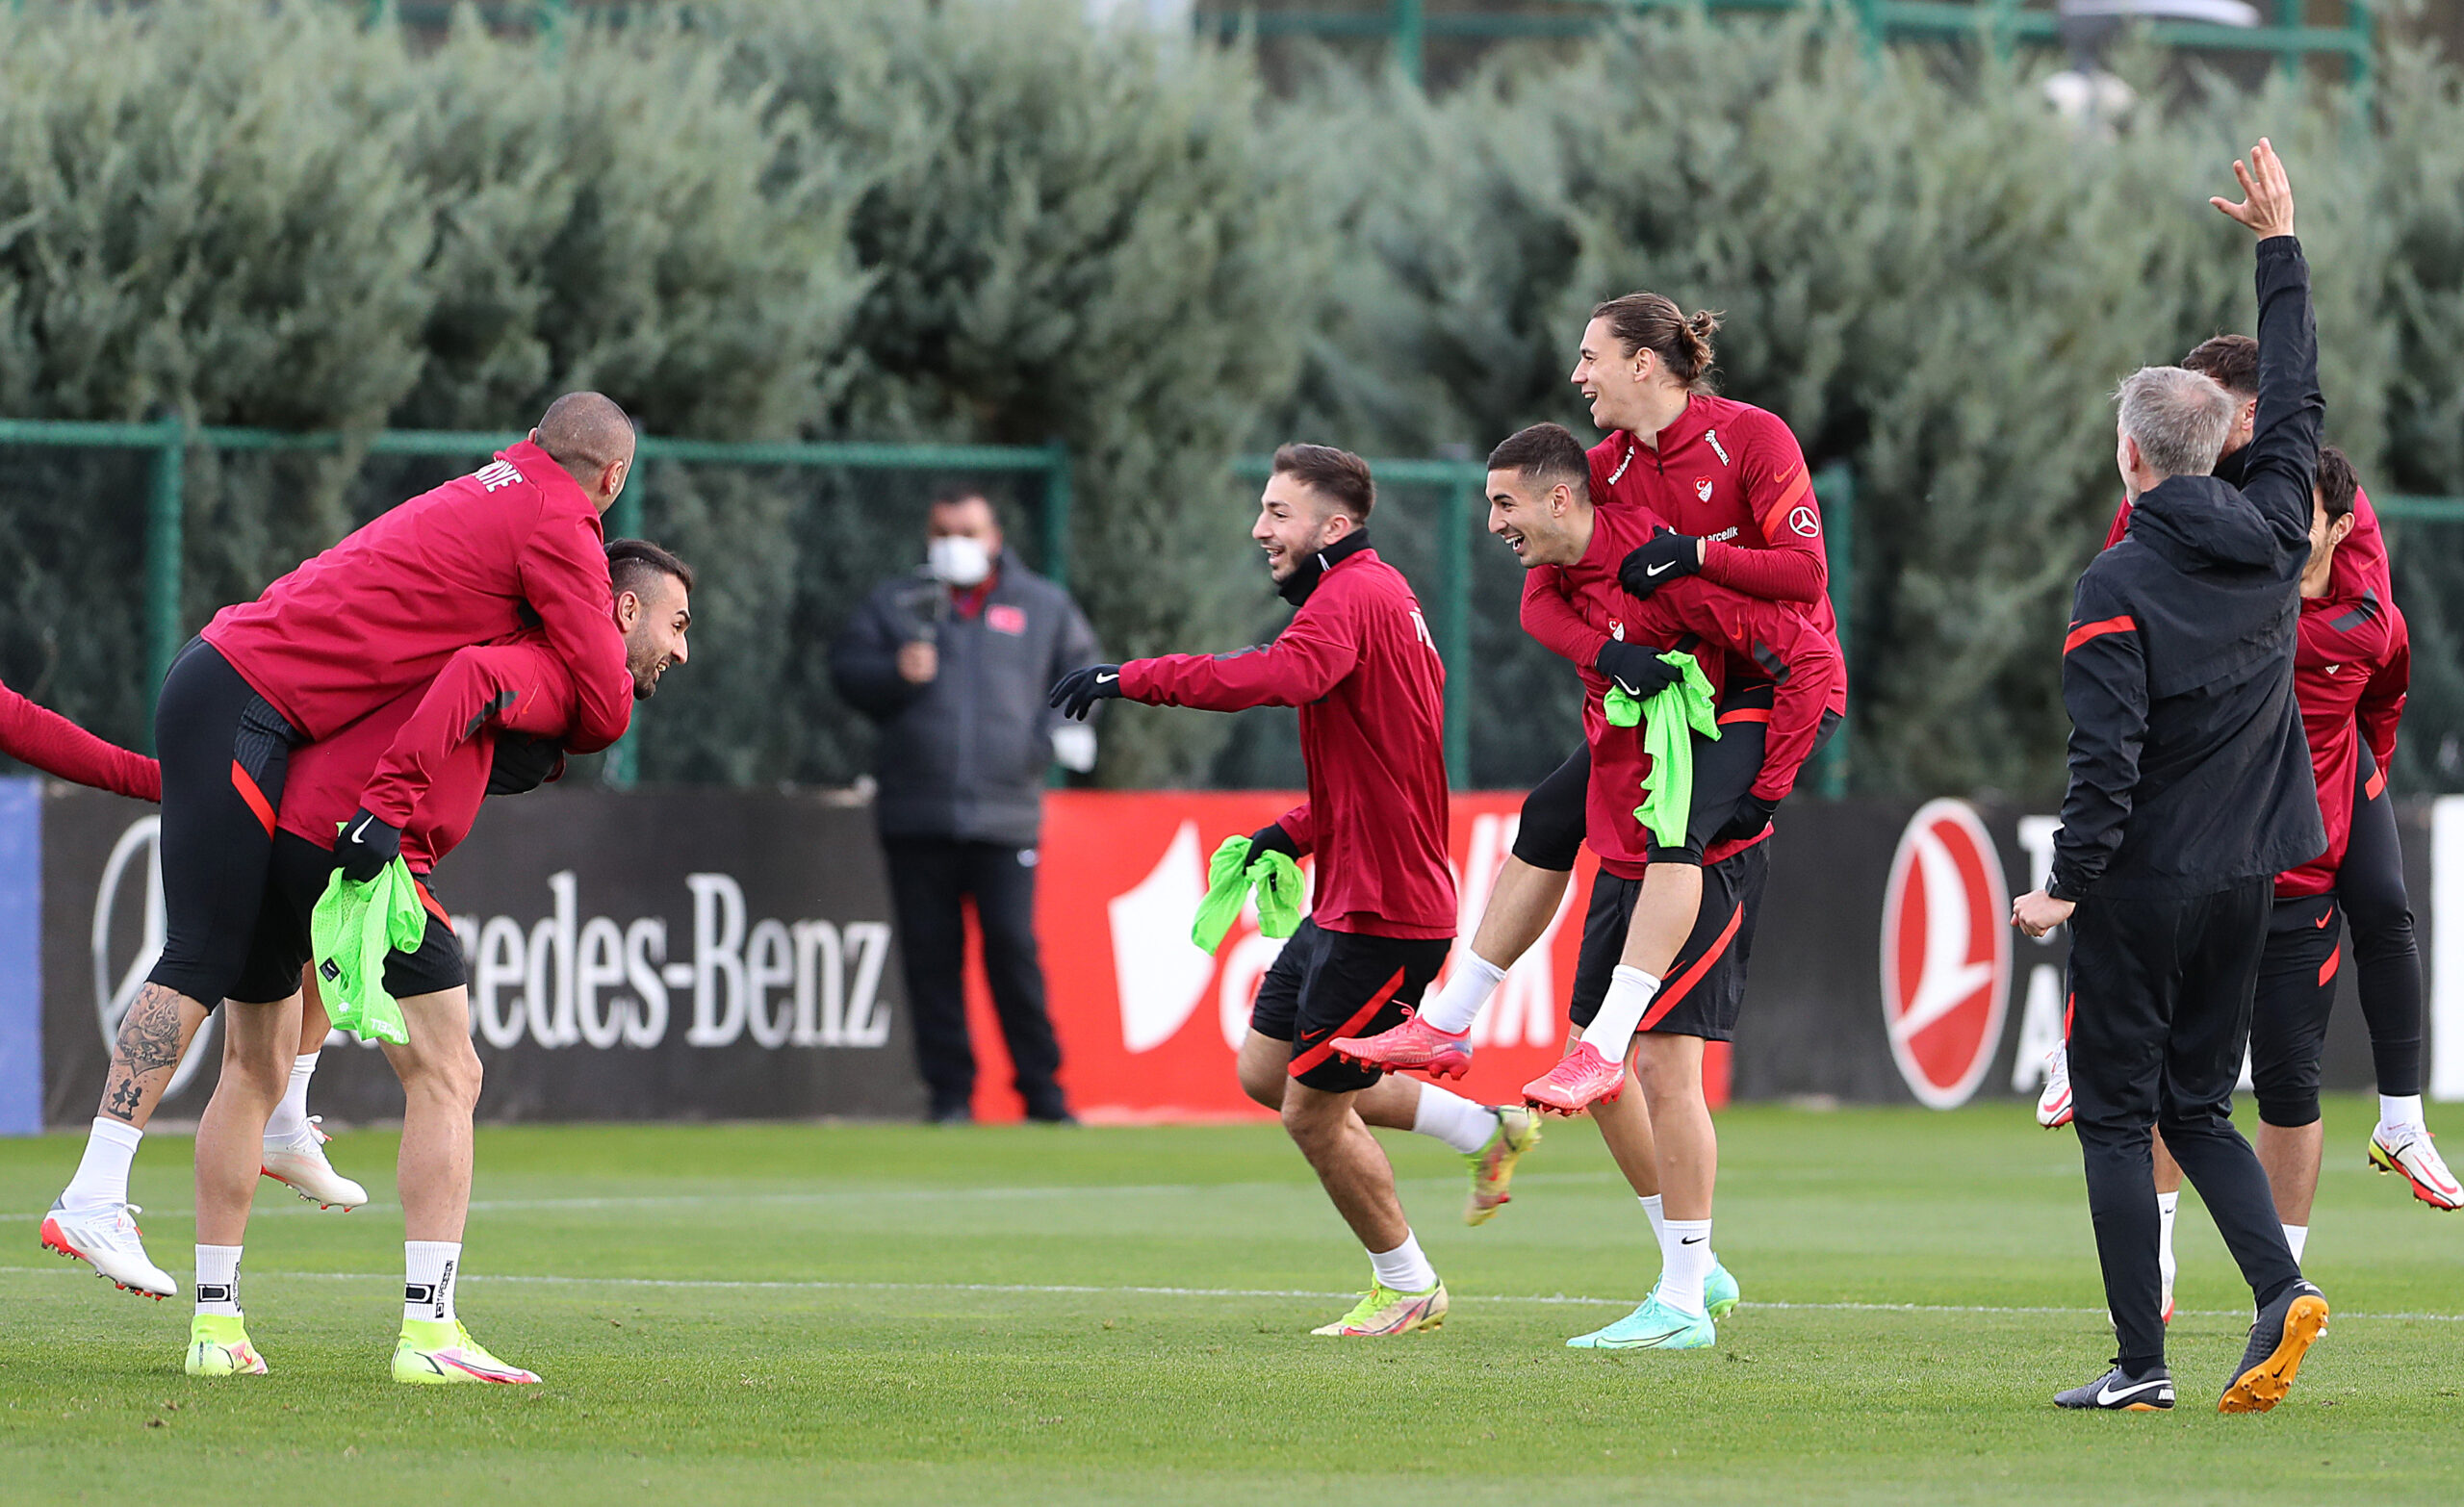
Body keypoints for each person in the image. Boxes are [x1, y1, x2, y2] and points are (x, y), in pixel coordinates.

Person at [1346, 421, 1837, 1351]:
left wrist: (1766, 788)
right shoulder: (1595, 510)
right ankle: (1462, 1021)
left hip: (1716, 797)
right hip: (1630, 796)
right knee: (1598, 1057)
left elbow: (1810, 647)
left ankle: (1683, 1301)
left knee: (1664, 1066)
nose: (1494, 522)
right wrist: (1609, 658)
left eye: (1505, 503)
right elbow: (1539, 608)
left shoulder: (1685, 538)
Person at [179, 540, 692, 1382]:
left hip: (283, 832)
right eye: (676, 624)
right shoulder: (548, 657)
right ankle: (429, 1332)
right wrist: (382, 816)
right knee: (450, 1075)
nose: (681, 648)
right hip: (367, 851)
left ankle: (216, 1328)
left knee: (248, 1067)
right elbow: (473, 680)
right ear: (624, 609)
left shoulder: (483, 627)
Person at [2012, 139, 2328, 1415]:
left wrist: (2063, 885)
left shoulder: (2116, 580)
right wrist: (2279, 247)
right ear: (2225, 445)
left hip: (2143, 884)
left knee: (2113, 1115)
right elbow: (2297, 399)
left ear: (2133, 458)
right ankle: (2278, 1287)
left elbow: (2107, 758)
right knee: (2198, 1106)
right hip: (2249, 877)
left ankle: (2140, 1364)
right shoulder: (2277, 530)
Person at [1049, 444, 1457, 1338]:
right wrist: (1296, 833)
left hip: (1386, 912)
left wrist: (1132, 678)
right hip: (1348, 897)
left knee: (1312, 1113)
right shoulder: (1379, 595)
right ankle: (1481, 1128)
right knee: (1268, 1073)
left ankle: (1408, 1284)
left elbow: (1278, 675)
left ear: (1334, 527)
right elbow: (1388, 763)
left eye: (1278, 512)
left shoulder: (1349, 596)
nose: (1259, 529)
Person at [28, 687, 371, 1302]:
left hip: (250, 742)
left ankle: (285, 1120)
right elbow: (18, 720)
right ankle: (93, 1193)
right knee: (202, 955)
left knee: (333, 897)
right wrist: (198, 785)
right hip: (233, 709)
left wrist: (198, 786)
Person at [831, 490, 1099, 1124]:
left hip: (1006, 815)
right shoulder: (896, 602)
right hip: (916, 812)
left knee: (1013, 950)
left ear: (995, 537)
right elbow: (846, 671)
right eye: (944, 531)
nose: (956, 543)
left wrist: (1047, 742)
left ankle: (1043, 1093)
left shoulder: (1042, 605)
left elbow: (1082, 674)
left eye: (969, 531)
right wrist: (894, 672)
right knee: (930, 960)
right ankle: (950, 1096)